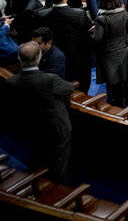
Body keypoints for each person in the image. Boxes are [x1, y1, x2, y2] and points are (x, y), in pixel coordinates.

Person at [4, 41, 75, 182]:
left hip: (31, 126)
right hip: (56, 128)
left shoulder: (11, 81)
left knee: (38, 154)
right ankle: (57, 187)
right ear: (39, 57)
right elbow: (69, 88)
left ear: (19, 58)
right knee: (59, 161)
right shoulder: (50, 79)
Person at [90, 0, 128, 106]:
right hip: (123, 50)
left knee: (111, 81)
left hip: (108, 53)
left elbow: (97, 38)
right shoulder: (124, 14)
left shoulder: (101, 19)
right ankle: (123, 103)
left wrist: (91, 33)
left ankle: (112, 104)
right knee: (122, 79)